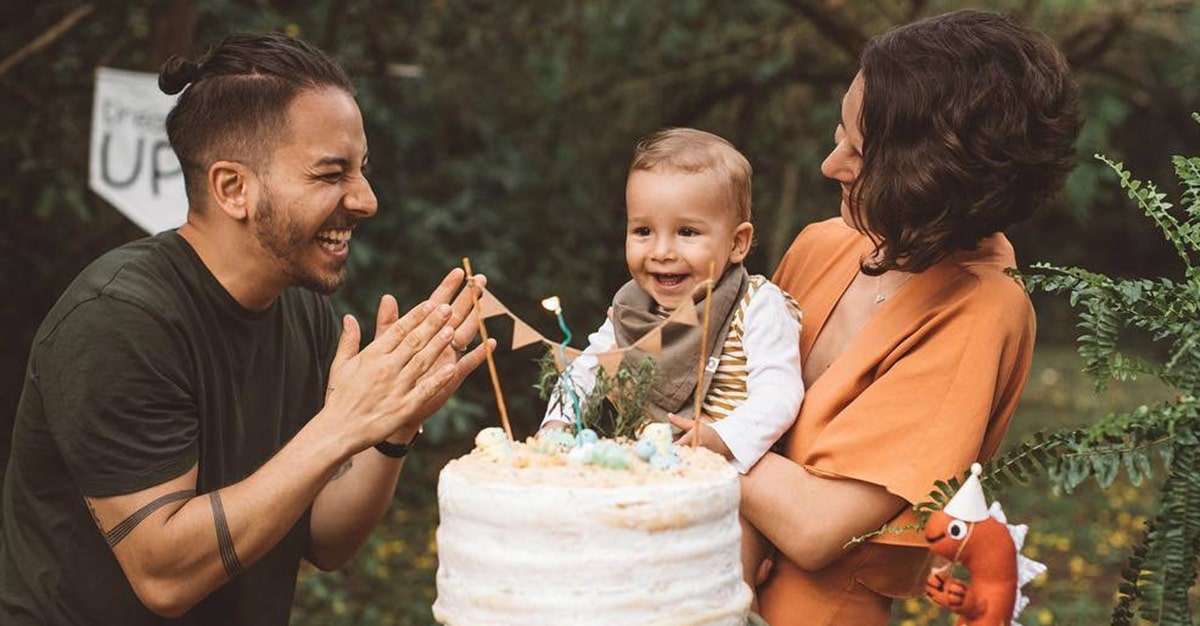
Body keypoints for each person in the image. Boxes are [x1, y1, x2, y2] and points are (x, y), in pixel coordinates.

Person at [0, 33, 491, 625]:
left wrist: (394, 426)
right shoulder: (119, 318)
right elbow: (164, 574)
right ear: (233, 188)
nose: (366, 200)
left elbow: (325, 540)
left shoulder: (299, 307)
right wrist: (341, 426)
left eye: (361, 171)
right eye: (332, 173)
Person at [688, 10, 1079, 625]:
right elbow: (730, 382)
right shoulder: (828, 241)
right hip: (702, 578)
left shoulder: (980, 310)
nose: (829, 164)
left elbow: (817, 526)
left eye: (859, 152)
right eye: (839, 134)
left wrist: (679, 431)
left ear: (931, 178)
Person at [540, 127, 804, 595]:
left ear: (738, 242)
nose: (661, 251)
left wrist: (723, 438)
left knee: (716, 590)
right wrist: (557, 428)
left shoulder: (758, 304)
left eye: (687, 232)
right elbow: (585, 370)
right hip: (646, 479)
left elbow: (780, 391)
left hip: (729, 488)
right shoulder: (631, 311)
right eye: (643, 231)